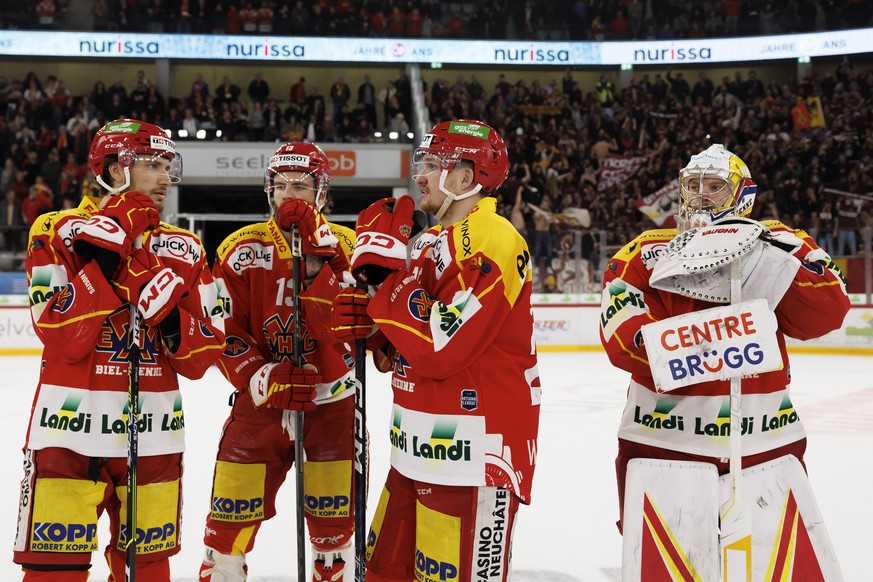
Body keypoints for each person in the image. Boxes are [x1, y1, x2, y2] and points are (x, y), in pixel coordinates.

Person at [600, 144, 849, 577]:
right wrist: (720, 344)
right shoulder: (644, 250)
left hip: (763, 443)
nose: (700, 196)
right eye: (693, 185)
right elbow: (621, 338)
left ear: (742, 195)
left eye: (715, 186)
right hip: (663, 443)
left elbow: (828, 309)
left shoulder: (780, 239)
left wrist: (759, 252)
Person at [13, 118, 226, 580]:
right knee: (52, 573)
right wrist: (107, 257)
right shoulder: (56, 231)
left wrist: (168, 314)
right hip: (66, 435)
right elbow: (61, 335)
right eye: (153, 164)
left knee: (146, 572)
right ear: (113, 169)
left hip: (154, 438)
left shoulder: (186, 248)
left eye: (169, 165)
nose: (166, 177)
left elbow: (205, 356)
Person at [332, 120, 542, 581]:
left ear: (466, 177)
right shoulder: (426, 242)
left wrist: (389, 285)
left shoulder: (495, 238)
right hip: (412, 453)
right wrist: (366, 303)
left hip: (472, 459)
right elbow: (397, 354)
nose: (419, 175)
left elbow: (442, 347)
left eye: (430, 164)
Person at [199, 142, 358, 582]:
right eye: (281, 184)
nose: (290, 193)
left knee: (334, 540)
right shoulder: (238, 248)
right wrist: (262, 374)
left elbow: (351, 330)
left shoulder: (348, 245)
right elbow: (222, 330)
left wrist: (318, 263)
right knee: (225, 536)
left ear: (321, 192)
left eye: (301, 185)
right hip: (260, 403)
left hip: (333, 405)